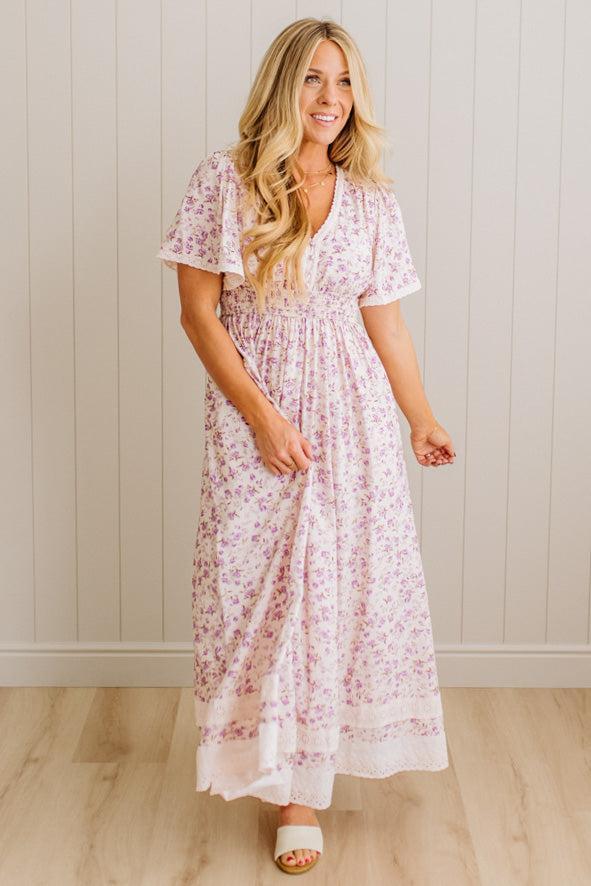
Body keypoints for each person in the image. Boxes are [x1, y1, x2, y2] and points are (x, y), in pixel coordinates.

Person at [157, 17, 454, 876]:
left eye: (345, 83)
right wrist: (260, 417)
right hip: (258, 417)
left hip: (352, 416)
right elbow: (199, 315)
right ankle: (263, 759)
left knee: (336, 591)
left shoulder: (370, 200)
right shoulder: (224, 181)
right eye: (313, 80)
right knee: (255, 587)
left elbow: (385, 323)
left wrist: (419, 416)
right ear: (282, 86)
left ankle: (302, 796)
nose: (330, 100)